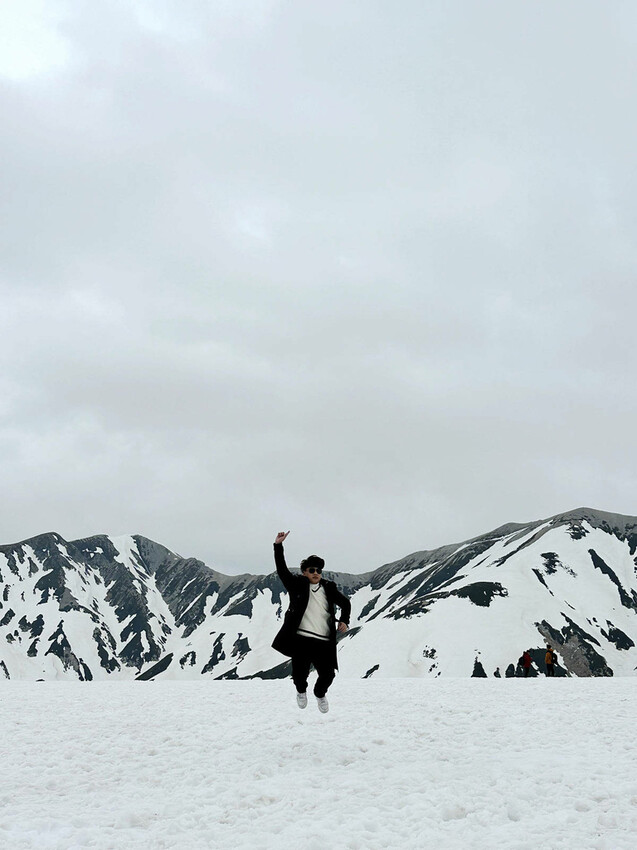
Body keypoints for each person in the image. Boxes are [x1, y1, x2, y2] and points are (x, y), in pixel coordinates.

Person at [272, 530, 351, 713]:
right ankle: (301, 691)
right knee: (300, 675)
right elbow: (282, 570)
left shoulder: (328, 588)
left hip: (324, 641)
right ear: (305, 572)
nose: (316, 573)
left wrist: (344, 620)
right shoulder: (297, 585)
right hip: (301, 639)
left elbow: (345, 603)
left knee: (328, 674)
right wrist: (278, 546)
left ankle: (319, 693)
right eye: (312, 570)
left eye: (319, 570)